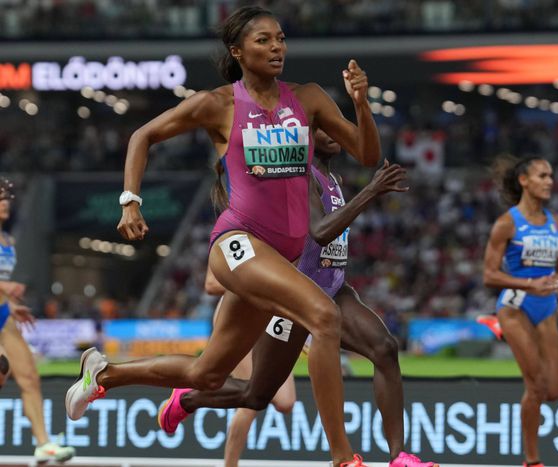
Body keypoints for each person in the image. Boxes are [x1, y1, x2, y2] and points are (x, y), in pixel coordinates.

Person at [65, 6, 380, 467]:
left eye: (280, 38)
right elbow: (143, 136)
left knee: (207, 374)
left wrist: (361, 103)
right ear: (237, 51)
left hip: (280, 258)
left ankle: (104, 374)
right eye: (263, 40)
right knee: (324, 316)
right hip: (238, 243)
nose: (276, 47)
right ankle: (343, 458)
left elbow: (367, 155)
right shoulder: (218, 104)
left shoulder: (308, 98)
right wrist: (130, 200)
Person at [158, 129, 437, 467]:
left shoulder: (333, 179)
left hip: (333, 289)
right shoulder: (298, 176)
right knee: (256, 394)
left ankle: (399, 456)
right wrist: (371, 191)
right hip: (294, 297)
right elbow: (320, 232)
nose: (336, 132)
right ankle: (188, 399)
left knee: (385, 348)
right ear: (307, 134)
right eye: (326, 127)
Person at [482, 157, 558, 467]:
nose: (549, 181)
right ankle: (532, 460)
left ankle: (499, 330)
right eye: (542, 175)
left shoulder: (556, 223)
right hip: (516, 307)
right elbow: (489, 275)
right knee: (536, 387)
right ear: (524, 181)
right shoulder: (507, 223)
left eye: (551, 175)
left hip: (547, 306)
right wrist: (528, 284)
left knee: (553, 391)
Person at [0, 178, 76, 464]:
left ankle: (43, 444)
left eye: (6, 197)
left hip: (4, 315)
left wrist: (11, 305)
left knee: (29, 377)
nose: (5, 202)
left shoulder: (8, 240)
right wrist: (4, 287)